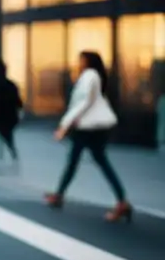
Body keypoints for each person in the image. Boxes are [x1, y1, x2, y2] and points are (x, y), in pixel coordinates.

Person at [45, 50, 132, 222]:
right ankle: (60, 194)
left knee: (78, 161)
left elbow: (83, 103)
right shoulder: (91, 76)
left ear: (89, 61)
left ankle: (59, 195)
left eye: (82, 59)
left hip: (87, 128)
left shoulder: (90, 76)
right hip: (89, 128)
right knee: (92, 161)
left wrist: (65, 125)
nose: (79, 62)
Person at [0, 58, 22, 161]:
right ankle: (12, 151)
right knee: (7, 133)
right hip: (10, 118)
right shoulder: (12, 85)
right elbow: (19, 103)